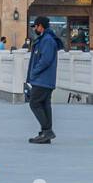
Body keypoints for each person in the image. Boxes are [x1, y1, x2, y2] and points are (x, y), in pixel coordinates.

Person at [25, 15, 63, 144]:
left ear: (40, 26)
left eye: (35, 26)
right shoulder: (44, 39)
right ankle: (45, 132)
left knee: (34, 103)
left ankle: (47, 130)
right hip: (44, 79)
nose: (34, 29)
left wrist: (34, 72)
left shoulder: (47, 40)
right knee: (44, 104)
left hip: (43, 79)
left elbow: (45, 60)